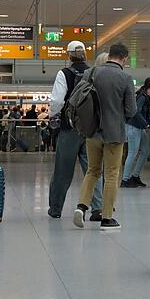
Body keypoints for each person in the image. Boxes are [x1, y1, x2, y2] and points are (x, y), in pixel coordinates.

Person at [73, 43, 136, 231]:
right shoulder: (125, 78)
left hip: (92, 131)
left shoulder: (90, 73)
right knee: (111, 174)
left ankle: (81, 207)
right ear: (124, 58)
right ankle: (107, 218)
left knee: (92, 171)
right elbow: (131, 110)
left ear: (109, 55)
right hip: (114, 133)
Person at [48, 41, 103, 220]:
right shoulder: (95, 73)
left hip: (69, 129)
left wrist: (52, 115)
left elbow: (57, 101)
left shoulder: (64, 73)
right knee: (93, 170)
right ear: (85, 55)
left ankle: (56, 208)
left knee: (62, 172)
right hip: (91, 130)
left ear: (69, 55)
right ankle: (98, 208)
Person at [122, 77, 150, 188]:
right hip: (133, 126)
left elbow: (145, 113)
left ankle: (135, 176)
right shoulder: (142, 96)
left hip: (139, 127)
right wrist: (146, 124)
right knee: (132, 152)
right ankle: (125, 180)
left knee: (146, 150)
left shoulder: (145, 96)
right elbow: (136, 112)